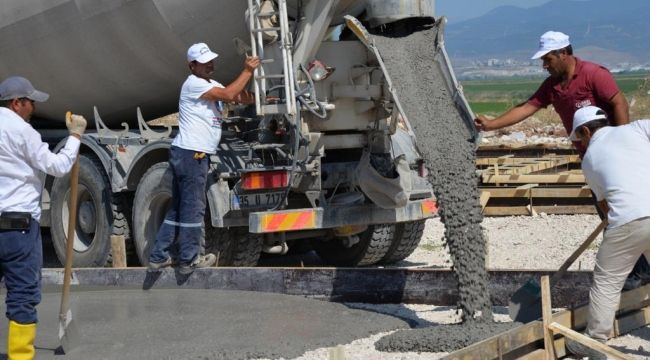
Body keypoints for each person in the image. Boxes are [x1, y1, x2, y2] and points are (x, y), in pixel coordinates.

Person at [474, 30, 649, 289]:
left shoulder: (593, 74)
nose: (545, 65)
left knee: (626, 214)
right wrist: (491, 125)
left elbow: (619, 103)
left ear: (564, 53)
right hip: (591, 160)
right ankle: (638, 269)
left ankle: (638, 272)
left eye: (548, 59)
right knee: (609, 215)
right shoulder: (553, 86)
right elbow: (526, 107)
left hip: (614, 159)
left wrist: (620, 141)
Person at [148, 43, 260, 274]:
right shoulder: (193, 84)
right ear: (192, 66)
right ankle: (189, 259)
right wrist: (247, 70)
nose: (210, 64)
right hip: (192, 153)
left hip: (189, 153)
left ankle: (159, 256)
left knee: (179, 208)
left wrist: (261, 98)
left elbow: (236, 95)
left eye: (211, 60)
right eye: (204, 62)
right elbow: (229, 94)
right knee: (193, 208)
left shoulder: (211, 84)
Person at [0, 76, 86, 359]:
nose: (33, 108)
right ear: (16, 103)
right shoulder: (21, 131)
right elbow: (58, 166)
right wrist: (74, 137)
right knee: (23, 296)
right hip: (18, 229)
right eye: (30, 102)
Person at [563, 106, 650, 359]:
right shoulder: (638, 128)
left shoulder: (589, 159)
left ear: (586, 130)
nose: (581, 143)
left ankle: (594, 341)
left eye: (580, 138)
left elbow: (604, 205)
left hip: (627, 220)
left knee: (607, 282)